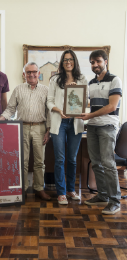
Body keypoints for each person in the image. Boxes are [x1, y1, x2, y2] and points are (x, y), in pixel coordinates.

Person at [0, 62, 51, 201]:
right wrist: (1, 118)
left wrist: (48, 130)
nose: (31, 74)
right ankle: (22, 189)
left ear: (38, 73)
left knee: (39, 162)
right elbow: (10, 109)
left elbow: (49, 112)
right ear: (24, 74)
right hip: (22, 127)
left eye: (34, 72)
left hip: (40, 127)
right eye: (28, 72)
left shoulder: (46, 90)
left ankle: (39, 189)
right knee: (22, 161)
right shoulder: (18, 89)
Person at [77, 50, 122, 214]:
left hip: (107, 126)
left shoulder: (114, 80)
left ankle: (115, 201)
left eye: (98, 61)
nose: (95, 65)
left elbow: (112, 106)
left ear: (105, 61)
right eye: (92, 62)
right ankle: (103, 195)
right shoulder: (90, 83)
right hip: (93, 126)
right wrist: (74, 93)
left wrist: (90, 115)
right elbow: (86, 103)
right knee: (96, 162)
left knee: (108, 164)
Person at [47, 49, 88, 205]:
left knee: (71, 159)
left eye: (70, 59)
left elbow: (84, 101)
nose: (68, 62)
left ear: (74, 61)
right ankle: (61, 192)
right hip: (59, 123)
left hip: (75, 123)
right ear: (62, 63)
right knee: (60, 159)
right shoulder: (55, 79)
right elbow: (49, 101)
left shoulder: (82, 79)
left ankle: (71, 190)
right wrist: (58, 110)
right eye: (65, 60)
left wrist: (75, 90)